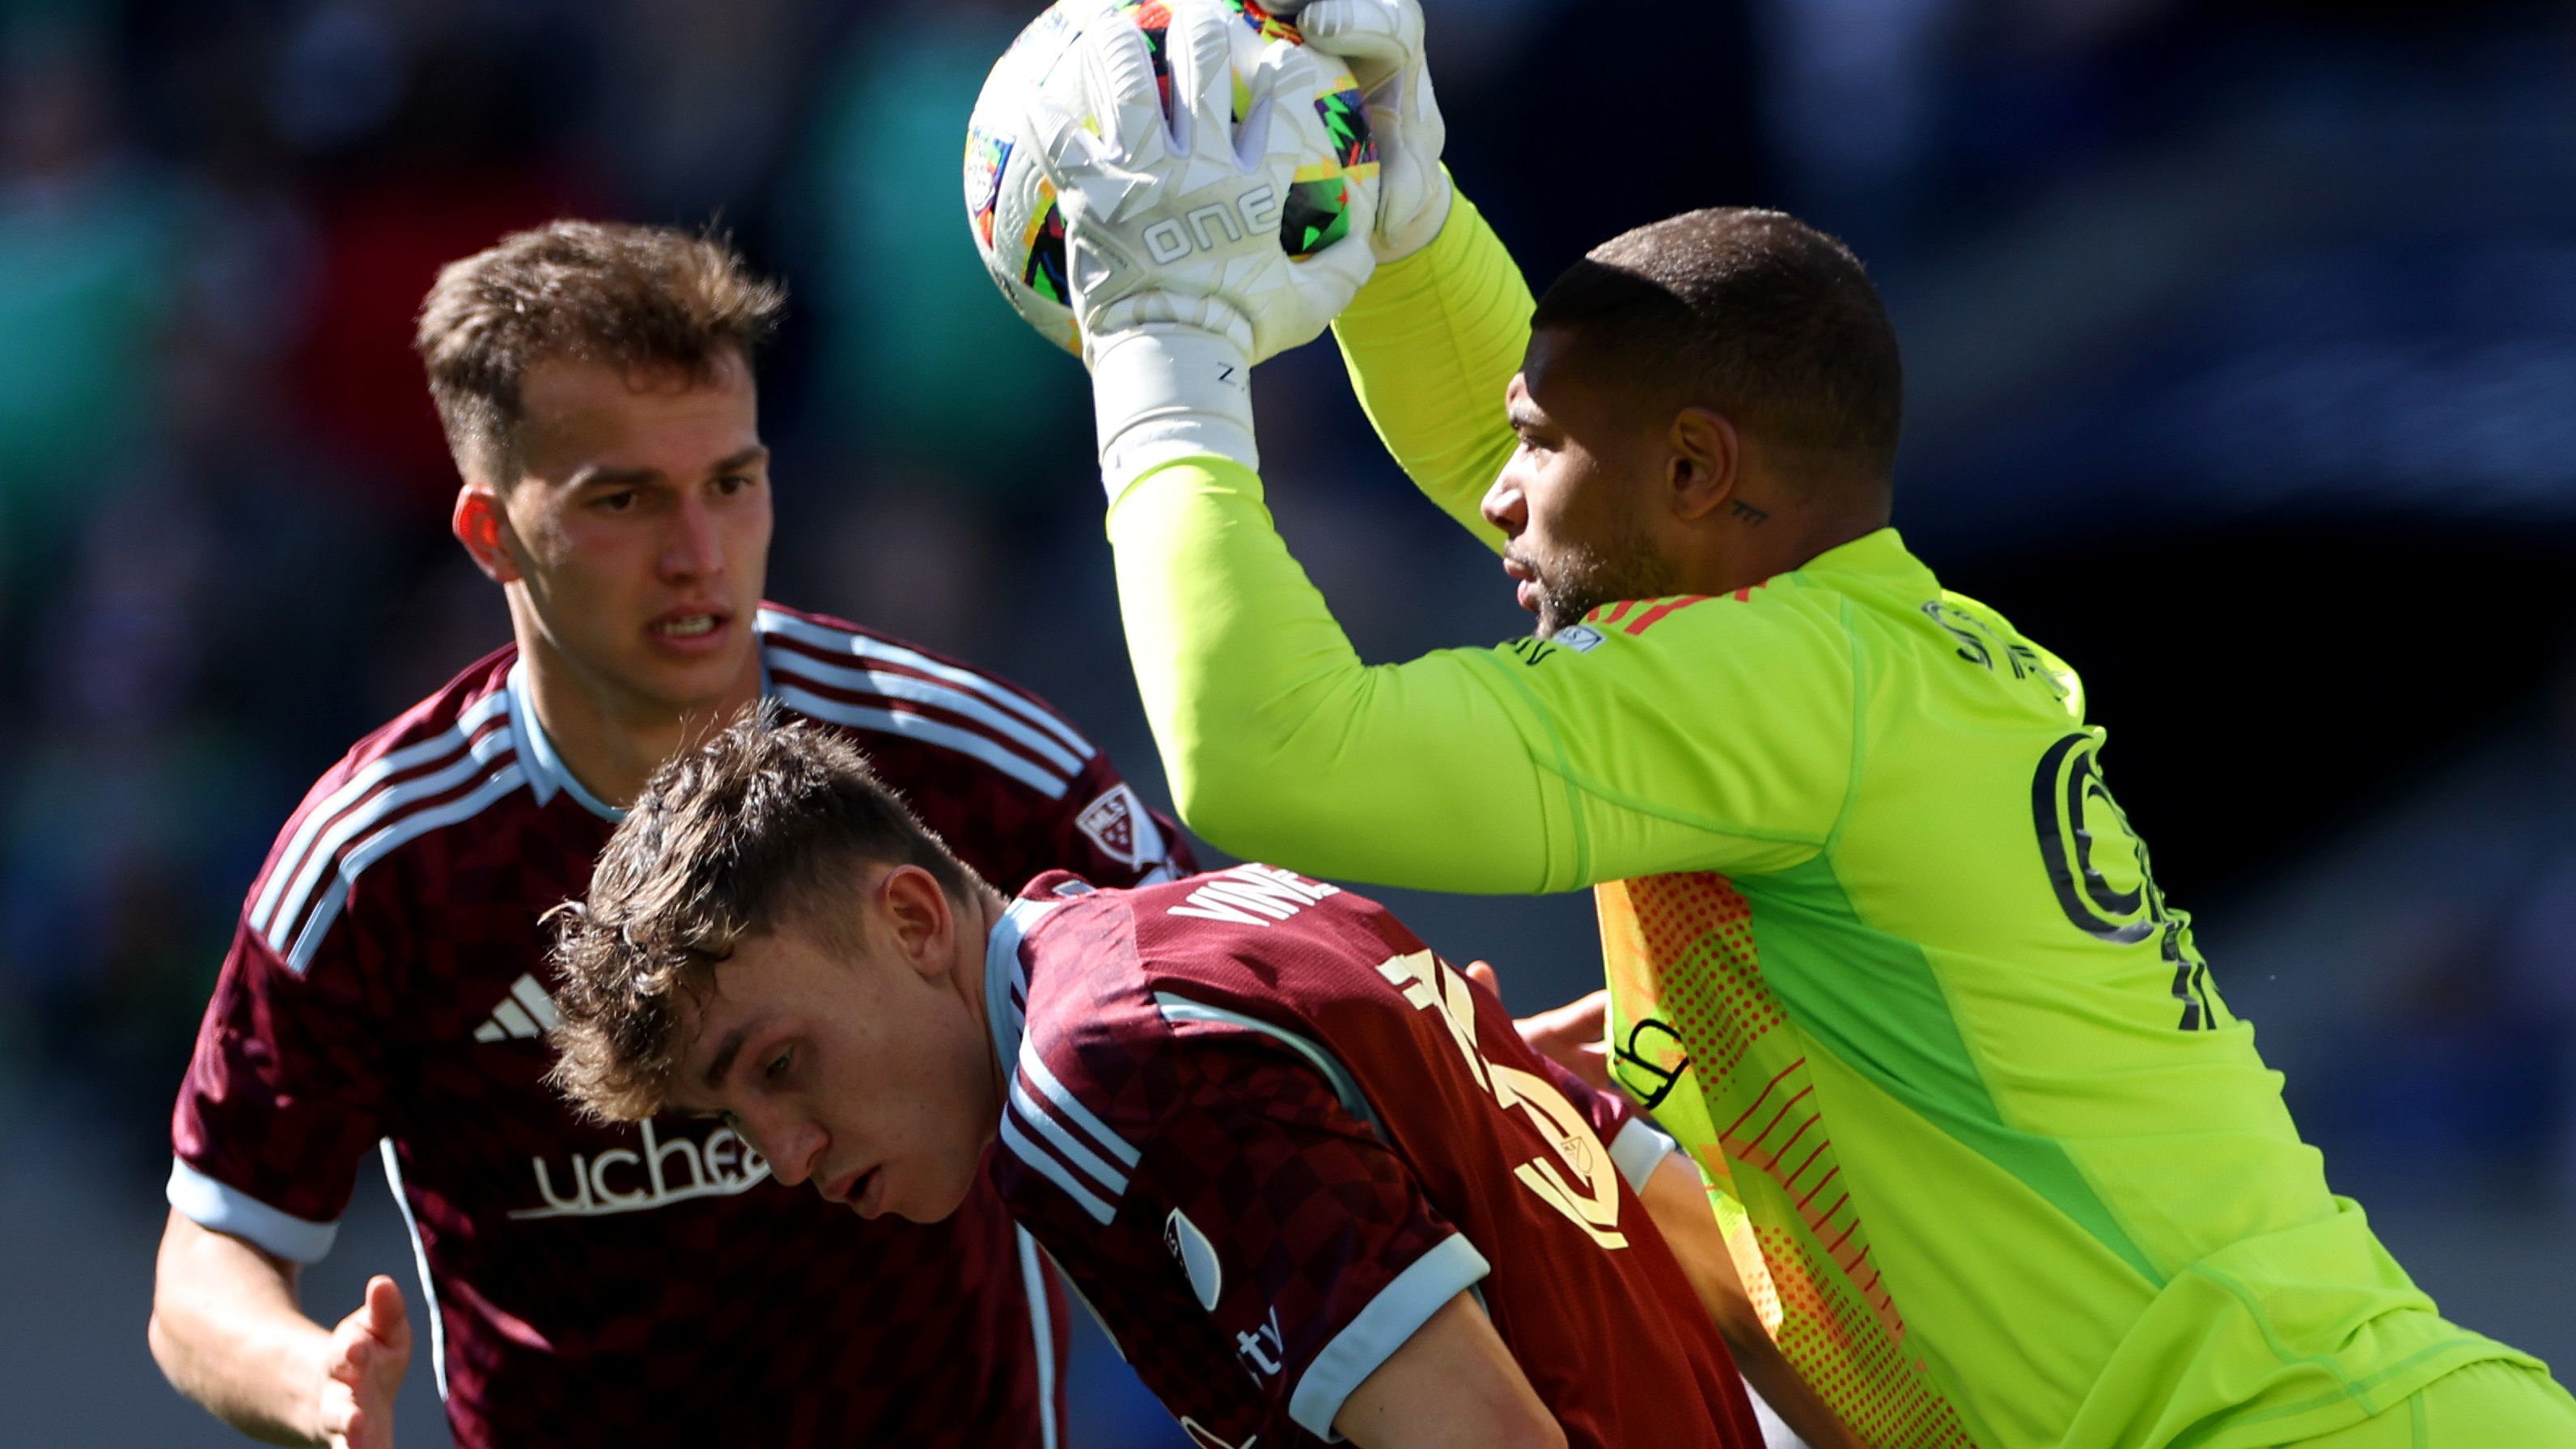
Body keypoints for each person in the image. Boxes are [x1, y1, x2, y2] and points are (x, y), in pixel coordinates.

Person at [1023, 0, 2576, 1444]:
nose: (1495, 492)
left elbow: (1267, 751)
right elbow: (1547, 490)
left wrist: (1162, 355)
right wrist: (1408, 214)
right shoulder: (1853, 641)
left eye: (1539, 444)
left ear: (1697, 476)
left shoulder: (1782, 693)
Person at [146, 221, 1189, 1449]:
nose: (699, 555)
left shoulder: (963, 768)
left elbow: (1217, 1043)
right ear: (494, 537)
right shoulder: (380, 865)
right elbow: (212, 1253)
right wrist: (307, 1381)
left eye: (732, 484)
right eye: (626, 500)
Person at [544, 711, 1773, 1449]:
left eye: (780, 1066)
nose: (787, 1155)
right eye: (737, 1117)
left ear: (915, 920)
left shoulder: (1107, 1078)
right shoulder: (1236, 912)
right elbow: (1716, 1258)